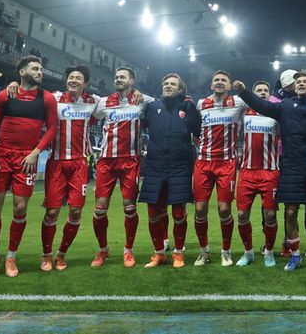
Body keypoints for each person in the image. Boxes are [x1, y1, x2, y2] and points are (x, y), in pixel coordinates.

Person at [234, 71, 306, 272]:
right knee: (290, 212)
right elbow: (262, 106)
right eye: (298, 81)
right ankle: (295, 254)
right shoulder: (285, 106)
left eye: (305, 81)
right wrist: (244, 92)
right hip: (292, 165)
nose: (300, 83)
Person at [0, 56, 58, 278]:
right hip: (1, 157)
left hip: (26, 159)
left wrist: (35, 152)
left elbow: (52, 129)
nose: (40, 72)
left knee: (20, 209)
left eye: (41, 69)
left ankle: (11, 256)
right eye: (35, 68)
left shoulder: (46, 98)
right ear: (22, 72)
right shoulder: (5, 94)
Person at [90, 67, 152, 268]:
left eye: (122, 77)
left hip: (130, 161)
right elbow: (86, 113)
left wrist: (140, 94)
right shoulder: (104, 102)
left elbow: (163, 104)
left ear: (132, 81)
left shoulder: (143, 100)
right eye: (116, 77)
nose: (118, 79)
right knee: (100, 209)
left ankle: (128, 250)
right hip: (107, 161)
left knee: (130, 207)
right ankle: (103, 250)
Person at [40, 65, 99, 272]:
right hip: (56, 163)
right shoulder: (54, 98)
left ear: (85, 83)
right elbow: (31, 95)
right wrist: (13, 84)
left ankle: (61, 254)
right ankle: (46, 255)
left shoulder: (94, 101)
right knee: (52, 211)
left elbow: (116, 103)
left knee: (75, 211)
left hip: (79, 165)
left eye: (78, 77)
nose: (73, 80)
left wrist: (135, 94)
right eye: (71, 77)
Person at [139, 74, 200, 269]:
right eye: (165, 83)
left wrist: (189, 104)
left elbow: (198, 130)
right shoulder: (152, 107)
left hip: (180, 166)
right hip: (155, 165)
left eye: (172, 84)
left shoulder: (188, 107)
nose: (167, 86)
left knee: (178, 213)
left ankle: (178, 253)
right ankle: (159, 253)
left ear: (181, 89)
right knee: (153, 212)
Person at [193, 71, 246, 267]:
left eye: (224, 80)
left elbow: (261, 102)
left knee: (224, 209)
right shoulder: (201, 104)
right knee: (200, 209)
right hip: (203, 163)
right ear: (211, 85)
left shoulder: (238, 102)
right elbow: (193, 124)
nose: (220, 82)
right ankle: (204, 251)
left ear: (230, 85)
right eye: (216, 80)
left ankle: (226, 251)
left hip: (226, 163)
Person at [235, 81, 281, 267]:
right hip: (247, 172)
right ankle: (248, 252)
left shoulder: (276, 114)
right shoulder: (244, 112)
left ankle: (269, 251)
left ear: (270, 95)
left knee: (270, 215)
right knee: (241, 214)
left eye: (265, 90)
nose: (262, 93)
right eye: (258, 90)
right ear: (252, 94)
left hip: (270, 172)